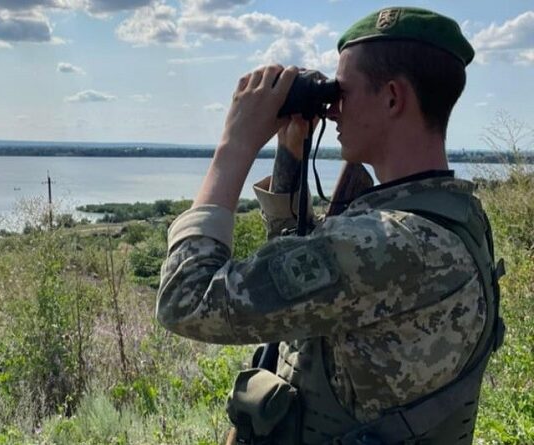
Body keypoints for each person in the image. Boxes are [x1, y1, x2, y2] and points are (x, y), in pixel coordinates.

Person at [156, 7, 504, 445]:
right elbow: (307, 277)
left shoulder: (387, 244)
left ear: (393, 97)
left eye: (342, 91)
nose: (333, 110)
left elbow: (185, 301)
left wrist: (234, 145)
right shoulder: (451, 217)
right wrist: (291, 152)